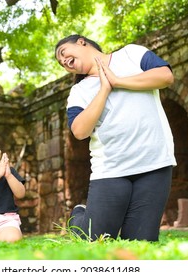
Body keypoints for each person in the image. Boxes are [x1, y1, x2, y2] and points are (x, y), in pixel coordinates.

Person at [55, 34, 177, 242]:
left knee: (140, 245)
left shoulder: (131, 54)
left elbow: (165, 76)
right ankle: (78, 218)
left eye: (64, 53)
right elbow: (80, 131)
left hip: (154, 164)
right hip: (111, 170)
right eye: (61, 63)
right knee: (94, 241)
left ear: (82, 42)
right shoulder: (79, 91)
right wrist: (104, 89)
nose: (64, 61)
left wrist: (117, 81)